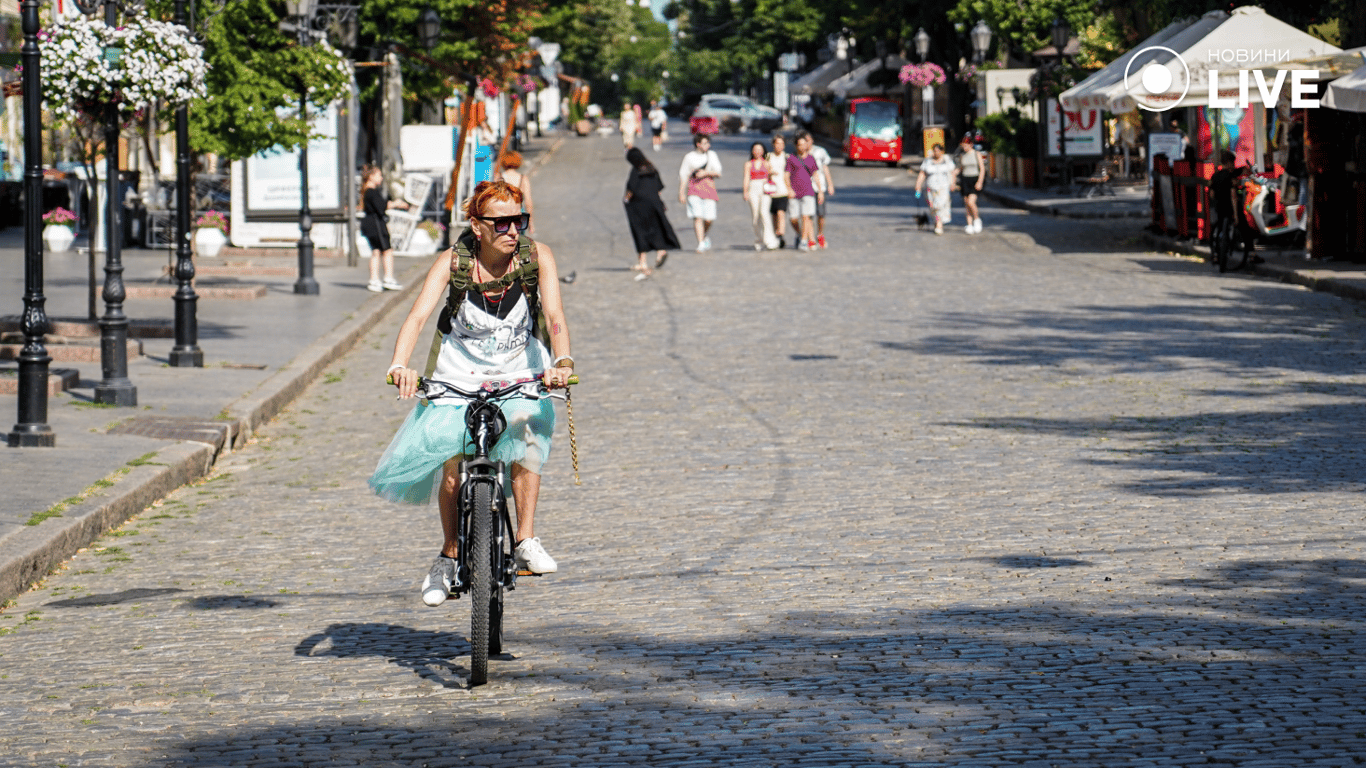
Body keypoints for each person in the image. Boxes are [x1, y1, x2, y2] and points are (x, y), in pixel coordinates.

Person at [371, 180, 574, 606]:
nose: (512, 229)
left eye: (519, 220)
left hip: (520, 368)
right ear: (477, 226)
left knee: (528, 437)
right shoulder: (452, 263)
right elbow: (417, 317)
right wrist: (399, 365)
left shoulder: (537, 257)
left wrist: (563, 362)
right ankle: (449, 554)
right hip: (459, 372)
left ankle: (525, 539)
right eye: (501, 223)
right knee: (452, 464)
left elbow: (554, 314)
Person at [623, 147, 681, 275]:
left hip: (638, 205)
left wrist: (626, 200)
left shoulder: (636, 170)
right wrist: (659, 202)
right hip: (654, 203)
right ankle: (661, 251)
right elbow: (658, 188)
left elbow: (631, 188)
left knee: (640, 232)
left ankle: (642, 262)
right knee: (656, 229)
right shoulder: (652, 168)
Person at [360, 165, 410, 292]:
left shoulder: (366, 192)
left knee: (376, 252)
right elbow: (381, 207)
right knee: (387, 251)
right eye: (379, 175)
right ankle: (388, 278)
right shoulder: (372, 192)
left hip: (369, 223)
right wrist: (396, 204)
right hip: (376, 224)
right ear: (371, 176)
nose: (381, 178)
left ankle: (374, 280)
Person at [678, 134, 721, 252]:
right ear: (698, 144)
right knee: (697, 217)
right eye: (705, 143)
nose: (708, 145)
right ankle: (701, 243)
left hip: (708, 188)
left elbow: (718, 172)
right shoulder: (689, 157)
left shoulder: (712, 155)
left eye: (708, 143)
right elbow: (683, 175)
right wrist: (681, 192)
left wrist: (705, 173)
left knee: (709, 219)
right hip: (694, 189)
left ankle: (704, 235)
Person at [784, 130, 820, 252]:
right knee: (793, 218)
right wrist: (789, 189)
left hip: (808, 191)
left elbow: (815, 175)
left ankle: (804, 241)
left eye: (804, 144)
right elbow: (786, 175)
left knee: (806, 217)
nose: (802, 147)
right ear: (796, 145)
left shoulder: (811, 158)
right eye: (799, 144)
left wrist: (820, 191)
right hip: (794, 192)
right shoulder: (791, 158)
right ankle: (800, 234)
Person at [741, 142, 779, 251]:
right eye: (755, 149)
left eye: (760, 149)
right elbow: (746, 178)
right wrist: (745, 191)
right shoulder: (748, 164)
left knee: (764, 213)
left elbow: (770, 176)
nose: (757, 152)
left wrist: (772, 175)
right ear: (752, 151)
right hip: (753, 188)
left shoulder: (766, 163)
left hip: (764, 188)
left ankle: (770, 240)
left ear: (763, 151)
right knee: (755, 216)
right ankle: (759, 239)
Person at [913, 143, 956, 235]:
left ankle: (939, 225)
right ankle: (937, 221)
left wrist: (953, 183)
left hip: (943, 187)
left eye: (938, 151)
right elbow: (922, 173)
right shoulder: (927, 161)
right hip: (931, 188)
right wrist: (918, 185)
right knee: (933, 207)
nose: (936, 153)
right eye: (935, 151)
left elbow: (952, 172)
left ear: (942, 151)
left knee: (939, 206)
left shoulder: (947, 160)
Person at [954, 132, 985, 234]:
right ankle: (969, 224)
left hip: (974, 179)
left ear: (971, 144)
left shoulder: (976, 154)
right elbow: (961, 168)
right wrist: (953, 174)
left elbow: (982, 169)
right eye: (963, 146)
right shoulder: (962, 155)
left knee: (971, 202)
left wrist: (980, 181)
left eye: (966, 145)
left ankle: (977, 219)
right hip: (965, 180)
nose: (964, 148)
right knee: (967, 204)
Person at [499, 151, 535, 238]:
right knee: (519, 239)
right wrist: (530, 222)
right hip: (518, 213)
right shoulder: (523, 178)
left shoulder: (499, 178)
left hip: (503, 214)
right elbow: (528, 202)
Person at [808, 136, 835, 249]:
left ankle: (820, 234)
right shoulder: (800, 153)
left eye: (808, 140)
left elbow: (825, 168)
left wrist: (830, 184)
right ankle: (811, 238)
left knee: (821, 214)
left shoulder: (820, 151)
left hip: (820, 187)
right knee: (808, 215)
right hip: (806, 188)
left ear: (812, 140)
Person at [766, 134, 791, 248]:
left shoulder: (787, 157)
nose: (779, 146)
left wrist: (790, 188)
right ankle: (776, 233)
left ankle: (780, 234)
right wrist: (769, 173)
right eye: (777, 143)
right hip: (771, 190)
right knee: (774, 215)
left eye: (782, 143)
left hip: (783, 190)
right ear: (773, 144)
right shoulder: (768, 156)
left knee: (781, 213)